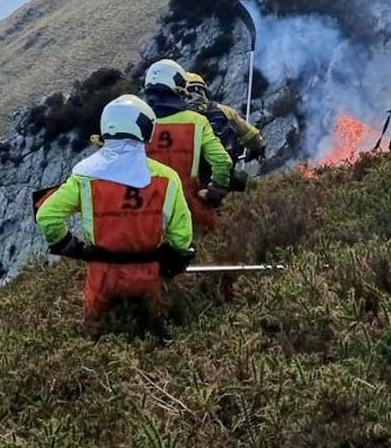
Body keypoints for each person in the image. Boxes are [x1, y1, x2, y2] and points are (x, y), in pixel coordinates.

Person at [34, 94, 194, 322]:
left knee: (97, 335)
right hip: (148, 275)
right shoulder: (167, 178)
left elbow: (47, 216)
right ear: (144, 130)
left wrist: (73, 248)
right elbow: (182, 237)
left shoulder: (84, 176)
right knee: (152, 333)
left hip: (102, 277)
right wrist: (176, 258)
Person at [142, 59, 233, 228]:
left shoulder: (140, 126)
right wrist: (215, 192)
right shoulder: (196, 121)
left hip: (147, 213)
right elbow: (222, 160)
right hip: (189, 207)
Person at [184, 71, 266, 163]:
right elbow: (250, 133)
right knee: (241, 176)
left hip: (187, 170)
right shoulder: (224, 110)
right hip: (224, 165)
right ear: (204, 91)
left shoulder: (175, 115)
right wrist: (258, 148)